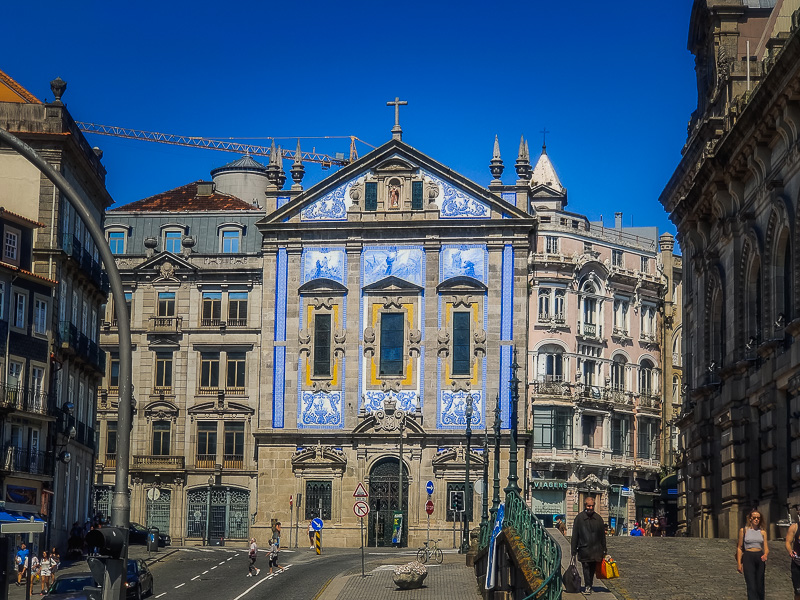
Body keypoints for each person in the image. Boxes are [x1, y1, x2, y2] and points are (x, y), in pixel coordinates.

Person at [571, 497, 607, 595]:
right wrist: (573, 550)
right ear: (585, 505)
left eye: (592, 506)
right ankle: (587, 585)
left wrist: (604, 550)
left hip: (596, 549)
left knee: (592, 568)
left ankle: (589, 584)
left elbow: (602, 536)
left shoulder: (598, 519)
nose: (590, 508)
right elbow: (575, 535)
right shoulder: (579, 518)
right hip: (584, 548)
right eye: (588, 506)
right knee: (586, 567)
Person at [737, 509, 768, 600]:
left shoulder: (763, 532)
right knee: (751, 584)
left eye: (758, 518)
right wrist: (739, 563)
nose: (756, 520)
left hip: (759, 556)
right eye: (754, 518)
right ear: (750, 519)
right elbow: (739, 547)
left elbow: (766, 547)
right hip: (748, 556)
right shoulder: (744, 531)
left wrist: (765, 554)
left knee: (760, 584)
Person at [785, 513, 800, 600]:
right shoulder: (795, 527)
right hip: (797, 563)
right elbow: (788, 541)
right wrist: (790, 551)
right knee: (798, 592)